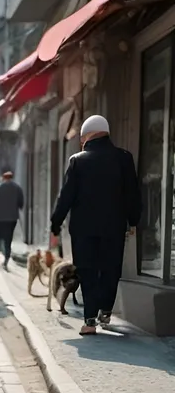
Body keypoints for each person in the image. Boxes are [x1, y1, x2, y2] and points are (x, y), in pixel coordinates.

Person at [50, 114, 140, 336]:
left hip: (83, 230)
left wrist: (55, 225)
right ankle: (106, 312)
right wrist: (133, 220)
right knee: (111, 269)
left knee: (88, 271)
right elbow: (133, 194)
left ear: (88, 136)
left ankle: (89, 320)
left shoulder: (77, 161)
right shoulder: (124, 158)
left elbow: (65, 198)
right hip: (114, 227)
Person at [0, 169, 24, 270]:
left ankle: (3, 254)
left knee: (0, 238)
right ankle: (7, 257)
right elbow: (21, 204)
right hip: (12, 218)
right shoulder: (17, 188)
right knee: (9, 238)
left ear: (2, 178)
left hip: (0, 218)